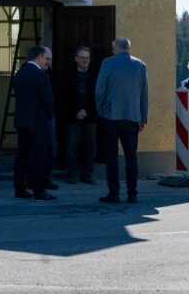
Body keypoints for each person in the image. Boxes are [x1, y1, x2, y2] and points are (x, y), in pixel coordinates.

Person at [95, 36, 148, 204]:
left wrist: (100, 110)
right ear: (129, 47)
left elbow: (99, 90)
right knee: (131, 157)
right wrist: (143, 118)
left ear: (116, 48)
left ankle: (114, 193)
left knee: (112, 157)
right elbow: (144, 94)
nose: (112, 50)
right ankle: (132, 193)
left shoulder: (108, 63)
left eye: (113, 47)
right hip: (132, 117)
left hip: (111, 116)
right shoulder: (140, 65)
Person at [12, 45, 56, 201]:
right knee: (38, 156)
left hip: (22, 120)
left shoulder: (19, 74)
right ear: (38, 57)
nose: (48, 63)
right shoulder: (40, 75)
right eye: (47, 59)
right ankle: (39, 190)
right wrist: (50, 115)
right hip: (38, 122)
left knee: (22, 156)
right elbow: (48, 100)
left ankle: (19, 189)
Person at [61, 45, 98, 184]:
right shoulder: (67, 74)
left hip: (90, 115)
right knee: (71, 145)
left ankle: (88, 173)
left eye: (87, 58)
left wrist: (86, 110)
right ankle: (72, 174)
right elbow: (64, 95)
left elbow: (97, 94)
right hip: (72, 116)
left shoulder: (95, 73)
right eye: (82, 58)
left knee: (90, 145)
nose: (85, 60)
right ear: (76, 59)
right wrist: (76, 111)